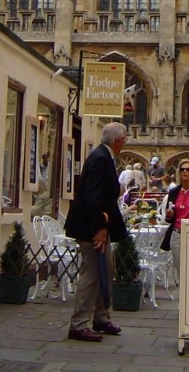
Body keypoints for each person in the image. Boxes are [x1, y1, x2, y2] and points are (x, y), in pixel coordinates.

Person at [65, 122, 128, 342]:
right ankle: (79, 324)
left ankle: (100, 318)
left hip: (99, 225)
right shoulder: (101, 159)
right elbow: (92, 198)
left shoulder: (104, 156)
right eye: (125, 137)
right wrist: (100, 229)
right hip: (92, 228)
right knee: (91, 274)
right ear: (117, 140)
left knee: (106, 270)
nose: (126, 141)